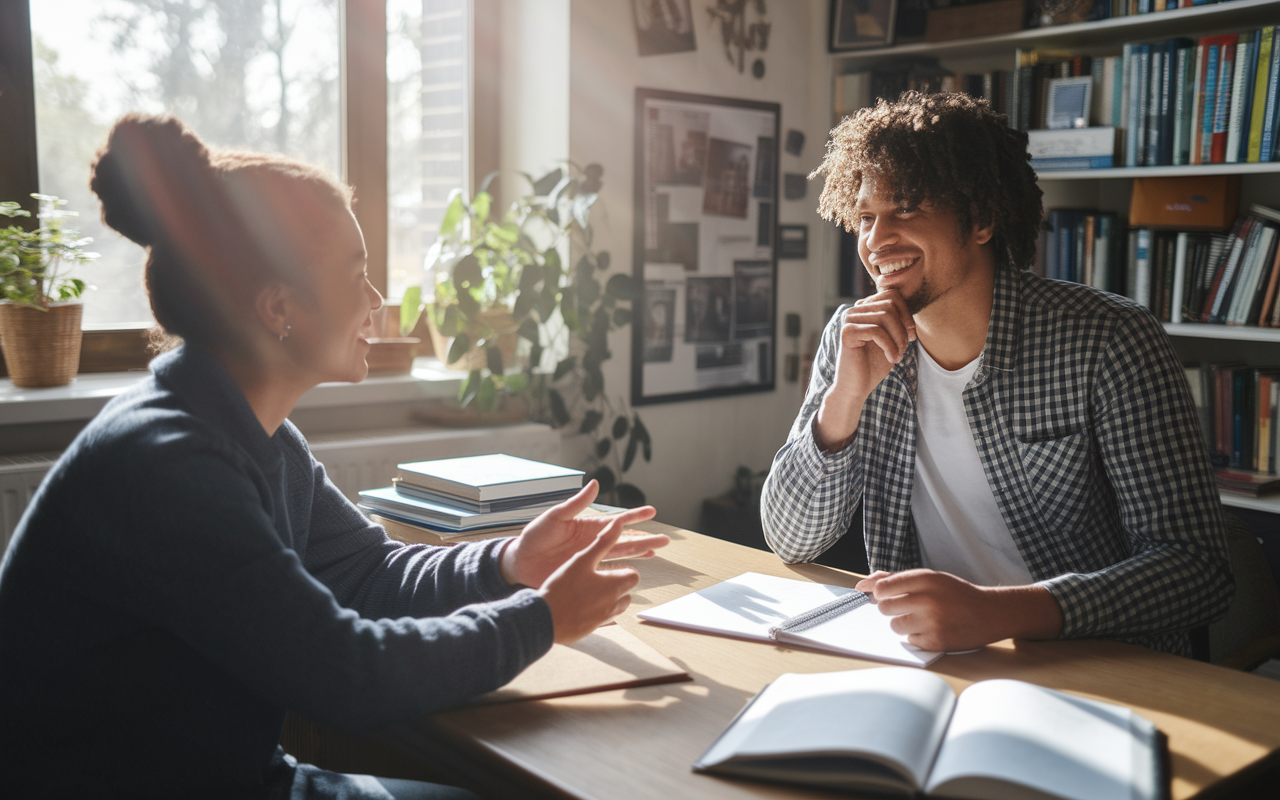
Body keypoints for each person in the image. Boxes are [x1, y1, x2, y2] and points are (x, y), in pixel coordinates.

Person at [0, 114, 669, 799]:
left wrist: (509, 564)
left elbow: (364, 570)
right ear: (277, 308)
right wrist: (543, 618)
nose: (378, 302)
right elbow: (348, 676)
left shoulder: (254, 436)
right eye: (358, 275)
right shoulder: (169, 464)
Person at [760, 91, 1232, 658]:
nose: (876, 240)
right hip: (932, 658)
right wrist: (844, 403)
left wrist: (997, 613)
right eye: (865, 217)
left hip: (1100, 662)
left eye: (906, 208)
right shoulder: (852, 337)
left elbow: (1196, 569)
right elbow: (789, 538)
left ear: (981, 218)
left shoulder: (1108, 339)